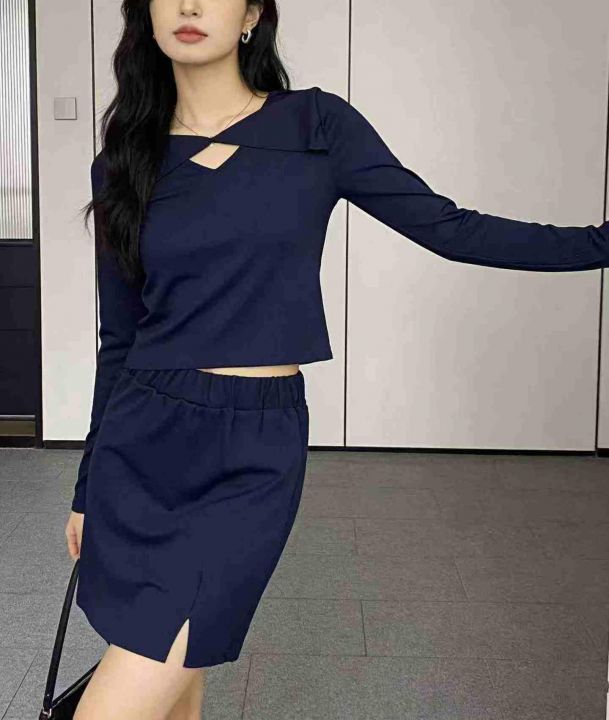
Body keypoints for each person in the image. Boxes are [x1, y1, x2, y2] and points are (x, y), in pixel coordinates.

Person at [64, 0, 609, 718]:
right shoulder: (124, 160)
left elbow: (450, 229)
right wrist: (86, 487)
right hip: (141, 443)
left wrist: (601, 243)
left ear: (252, 14)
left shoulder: (315, 125)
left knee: (156, 656)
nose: (190, 4)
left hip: (252, 451)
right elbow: (120, 338)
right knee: (175, 679)